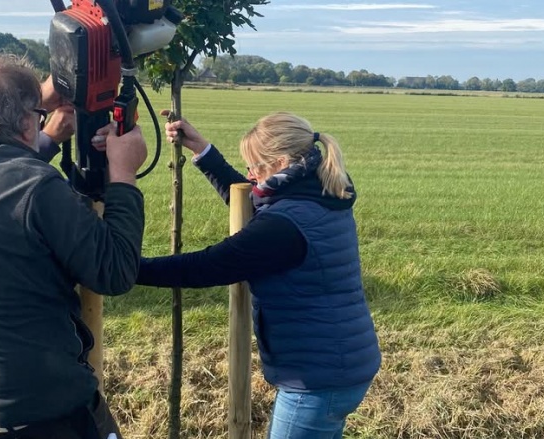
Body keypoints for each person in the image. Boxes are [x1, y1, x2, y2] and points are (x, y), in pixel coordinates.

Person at [0, 53, 148, 439]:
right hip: (30, 416)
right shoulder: (37, 187)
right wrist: (123, 173)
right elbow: (114, 271)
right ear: (25, 123)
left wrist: (42, 125)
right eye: (36, 114)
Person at [136, 111, 381, 439]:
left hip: (317, 380)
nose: (250, 175)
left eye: (254, 167)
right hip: (339, 365)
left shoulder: (287, 224)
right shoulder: (317, 189)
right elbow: (253, 207)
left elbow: (212, 264)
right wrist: (202, 151)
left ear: (280, 163)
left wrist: (130, 269)